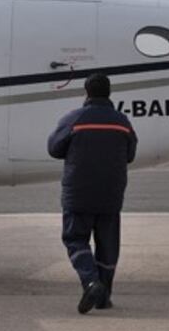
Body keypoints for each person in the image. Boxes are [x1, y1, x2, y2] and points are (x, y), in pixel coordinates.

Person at [47, 73, 137, 314]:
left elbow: (54, 148)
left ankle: (90, 282)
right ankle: (103, 297)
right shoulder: (122, 122)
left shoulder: (74, 119)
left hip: (79, 193)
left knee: (75, 239)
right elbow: (130, 154)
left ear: (86, 92)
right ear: (109, 93)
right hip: (111, 193)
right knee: (108, 245)